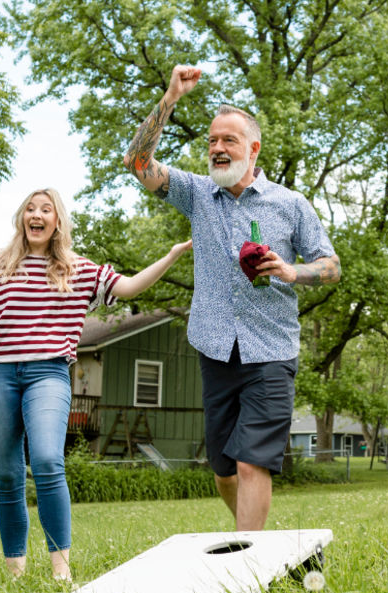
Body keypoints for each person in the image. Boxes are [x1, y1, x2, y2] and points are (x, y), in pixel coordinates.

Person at [122, 65, 341, 532]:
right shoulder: (198, 194)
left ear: (253, 149)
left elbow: (331, 266)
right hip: (215, 346)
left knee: (250, 464)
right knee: (223, 473)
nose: (217, 149)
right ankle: (254, 538)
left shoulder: (290, 204)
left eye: (229, 141)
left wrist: (291, 270)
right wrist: (170, 97)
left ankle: (248, 560)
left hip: (272, 350)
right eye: (212, 142)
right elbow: (138, 164)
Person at [0, 188, 191, 580]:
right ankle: (15, 571)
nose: (36, 214)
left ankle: (60, 573)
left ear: (57, 221)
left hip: (48, 372)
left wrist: (170, 256)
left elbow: (129, 287)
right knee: (9, 474)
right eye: (29, 208)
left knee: (47, 459)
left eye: (45, 209)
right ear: (21, 218)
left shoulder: (78, 270)